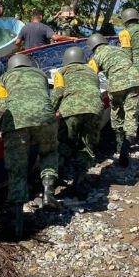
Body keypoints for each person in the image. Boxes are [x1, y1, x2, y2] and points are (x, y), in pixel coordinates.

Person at [0, 54, 59, 236]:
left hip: (16, 124)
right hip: (45, 118)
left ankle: (18, 219)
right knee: (49, 152)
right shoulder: (41, 74)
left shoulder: (4, 78)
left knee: (17, 169)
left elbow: (0, 107)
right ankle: (48, 190)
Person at [51, 46, 103, 197]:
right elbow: (94, 90)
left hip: (71, 110)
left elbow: (58, 93)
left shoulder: (61, 72)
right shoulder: (92, 72)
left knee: (63, 144)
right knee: (86, 146)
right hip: (94, 109)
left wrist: (50, 112)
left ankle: (55, 179)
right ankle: (79, 182)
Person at [86, 33, 139, 166]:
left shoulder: (96, 56)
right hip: (135, 81)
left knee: (116, 112)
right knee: (131, 113)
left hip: (116, 85)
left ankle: (119, 144)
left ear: (92, 47)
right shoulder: (120, 50)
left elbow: (90, 75)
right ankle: (127, 143)